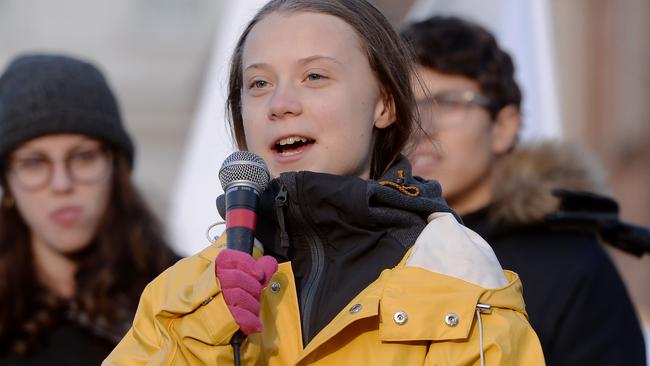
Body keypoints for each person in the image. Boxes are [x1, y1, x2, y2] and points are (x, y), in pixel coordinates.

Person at [104, 1, 545, 365]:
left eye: (314, 76)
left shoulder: (466, 289)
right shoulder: (180, 299)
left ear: (385, 103)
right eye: (258, 83)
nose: (280, 104)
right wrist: (209, 332)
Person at [401, 16, 647, 366]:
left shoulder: (572, 267)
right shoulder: (370, 249)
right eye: (406, 107)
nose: (420, 127)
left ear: (504, 126)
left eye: (449, 103)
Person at [0, 54, 180, 364]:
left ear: (116, 169)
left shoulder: (184, 297)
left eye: (83, 157)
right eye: (33, 162)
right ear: (7, 181)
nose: (61, 183)